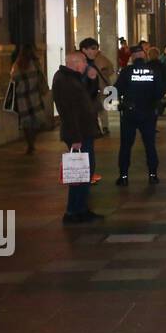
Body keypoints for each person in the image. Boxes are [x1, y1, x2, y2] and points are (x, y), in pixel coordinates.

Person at [52, 52, 104, 224]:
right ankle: (73, 211)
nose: (86, 65)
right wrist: (75, 137)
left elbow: (88, 96)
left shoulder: (72, 77)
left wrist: (91, 79)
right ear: (74, 62)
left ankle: (81, 208)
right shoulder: (63, 80)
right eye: (83, 62)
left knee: (85, 171)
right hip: (78, 133)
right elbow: (68, 111)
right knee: (79, 173)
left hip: (84, 131)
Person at [113, 48, 166, 185]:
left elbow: (116, 89)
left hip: (129, 113)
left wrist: (119, 103)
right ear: (144, 56)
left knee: (126, 146)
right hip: (148, 112)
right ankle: (152, 175)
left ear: (132, 57)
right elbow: (160, 90)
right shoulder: (153, 71)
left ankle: (124, 176)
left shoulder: (127, 71)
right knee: (150, 145)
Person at [8, 45, 50, 155]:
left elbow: (12, 79)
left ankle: (30, 143)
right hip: (34, 94)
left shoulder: (17, 65)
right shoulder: (35, 64)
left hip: (22, 96)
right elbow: (41, 77)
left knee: (26, 121)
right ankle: (32, 142)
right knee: (36, 120)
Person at [79, 38, 115, 136]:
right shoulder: (80, 62)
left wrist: (104, 73)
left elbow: (111, 70)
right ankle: (100, 128)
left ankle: (102, 127)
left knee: (100, 108)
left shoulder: (101, 59)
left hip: (99, 89)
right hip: (88, 94)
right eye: (93, 48)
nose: (96, 50)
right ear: (84, 49)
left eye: (96, 48)